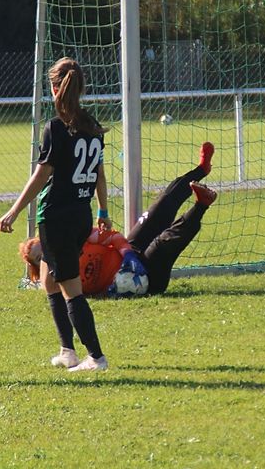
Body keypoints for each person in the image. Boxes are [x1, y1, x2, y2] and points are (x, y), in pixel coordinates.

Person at [18, 142, 216, 358]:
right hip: (142, 280)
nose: (47, 252)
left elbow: (111, 236)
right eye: (40, 257)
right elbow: (78, 299)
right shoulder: (63, 279)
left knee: (161, 206)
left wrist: (127, 253)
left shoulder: (75, 236)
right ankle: (201, 204)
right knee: (164, 242)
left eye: (43, 245)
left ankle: (201, 170)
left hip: (131, 251)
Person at [0, 57, 111, 372]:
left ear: (55, 88)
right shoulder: (92, 126)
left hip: (57, 218)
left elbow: (41, 175)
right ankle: (67, 351)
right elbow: (100, 175)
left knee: (71, 288)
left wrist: (14, 211)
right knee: (49, 280)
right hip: (81, 215)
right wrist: (103, 209)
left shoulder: (56, 128)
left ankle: (96, 357)